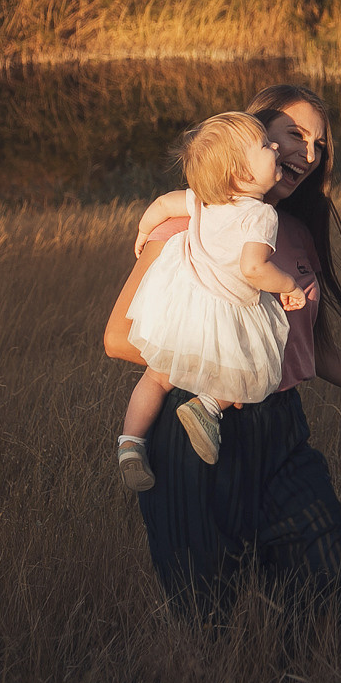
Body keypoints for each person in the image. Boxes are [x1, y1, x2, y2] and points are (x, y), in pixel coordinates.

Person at [104, 83, 341, 621]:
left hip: (282, 430)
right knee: (208, 608)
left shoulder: (294, 232)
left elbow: (313, 348)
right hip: (194, 430)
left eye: (319, 145)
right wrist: (221, 375)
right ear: (253, 135)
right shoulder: (187, 226)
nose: (308, 156)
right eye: (293, 135)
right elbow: (119, 337)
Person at [118, 113, 309, 490]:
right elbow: (253, 269)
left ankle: (129, 443)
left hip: (182, 306)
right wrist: (288, 284)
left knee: (156, 377)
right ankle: (207, 406)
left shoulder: (205, 201)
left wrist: (143, 231)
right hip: (225, 312)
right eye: (265, 145)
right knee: (250, 365)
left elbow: (162, 204)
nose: (275, 148)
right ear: (241, 172)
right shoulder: (261, 214)